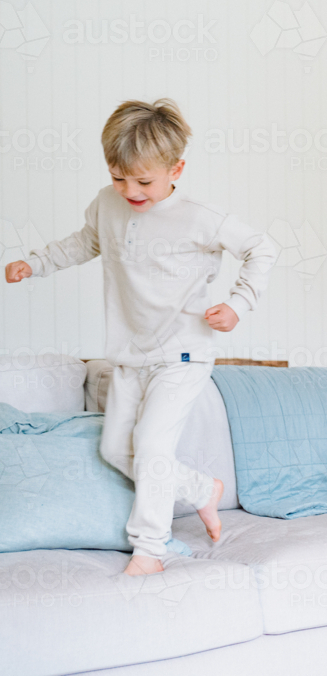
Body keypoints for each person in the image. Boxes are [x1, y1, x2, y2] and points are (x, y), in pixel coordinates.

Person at [4, 99, 277, 575]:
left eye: (144, 181)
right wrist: (36, 263)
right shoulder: (107, 204)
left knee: (152, 445)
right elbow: (84, 241)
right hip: (129, 355)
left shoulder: (199, 216)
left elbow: (261, 248)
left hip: (184, 353)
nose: (130, 190)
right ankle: (199, 490)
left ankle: (151, 549)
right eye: (118, 176)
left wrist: (238, 304)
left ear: (176, 169)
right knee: (114, 448)